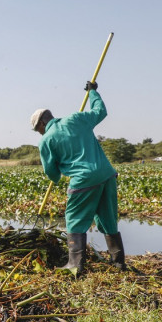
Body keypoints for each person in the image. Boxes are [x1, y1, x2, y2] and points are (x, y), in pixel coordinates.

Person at [30, 81, 126, 274]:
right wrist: (93, 92)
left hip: (84, 178)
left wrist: (59, 173)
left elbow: (50, 172)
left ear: (42, 123)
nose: (39, 132)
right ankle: (119, 263)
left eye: (38, 129)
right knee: (108, 218)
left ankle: (75, 265)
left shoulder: (46, 140)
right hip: (107, 174)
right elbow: (100, 111)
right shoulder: (76, 119)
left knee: (74, 219)